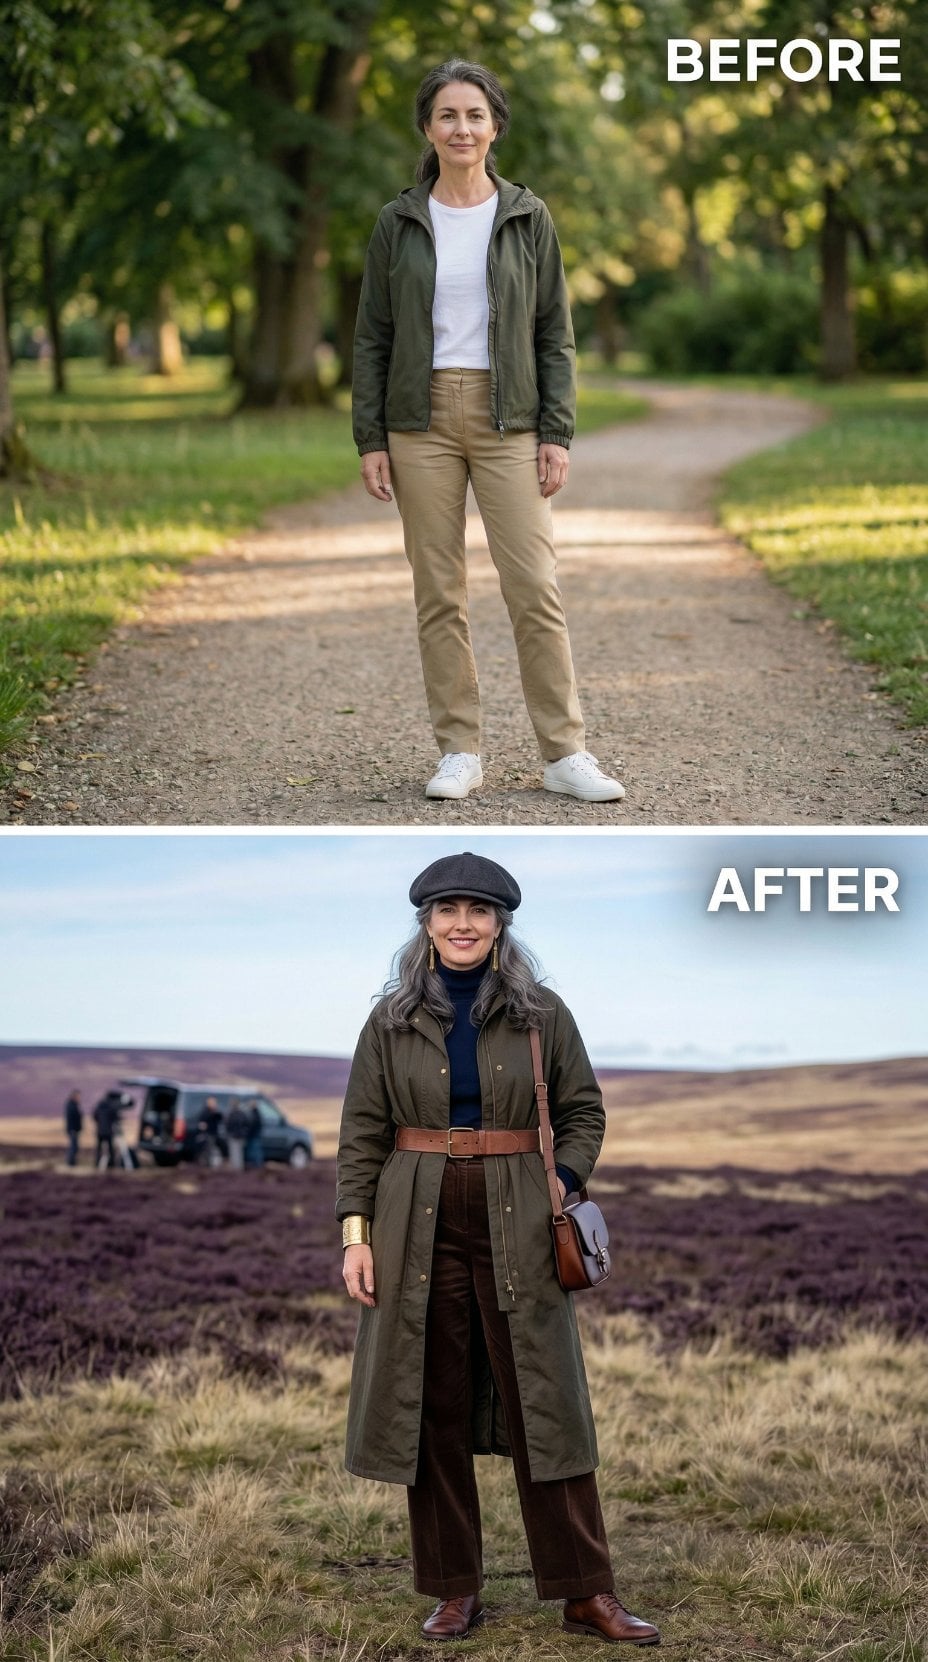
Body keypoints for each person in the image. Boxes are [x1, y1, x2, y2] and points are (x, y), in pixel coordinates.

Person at [337, 852, 659, 1645]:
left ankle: (587, 1593)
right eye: (448, 910)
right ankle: (454, 1590)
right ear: (426, 922)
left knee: (547, 1409)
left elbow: (584, 1110)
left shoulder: (542, 1011)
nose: (463, 924)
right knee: (429, 1406)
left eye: (478, 911)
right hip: (414, 1223)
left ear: (500, 923)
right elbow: (361, 1137)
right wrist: (356, 1235)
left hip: (520, 1219)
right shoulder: (388, 1019)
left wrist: (566, 1181)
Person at [352, 60, 625, 806]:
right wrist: (371, 436)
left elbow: (554, 333)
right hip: (420, 419)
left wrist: (557, 430)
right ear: (428, 128)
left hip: (512, 418)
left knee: (534, 585)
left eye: (475, 115)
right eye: (447, 115)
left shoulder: (528, 216)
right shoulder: (398, 220)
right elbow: (373, 335)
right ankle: (459, 750)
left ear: (494, 126)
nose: (461, 128)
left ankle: (564, 753)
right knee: (438, 591)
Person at [93, 1088, 121, 1169]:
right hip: (108, 1131)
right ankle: (111, 1164)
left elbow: (95, 1116)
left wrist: (100, 1123)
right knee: (111, 1148)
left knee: (99, 1148)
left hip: (100, 1131)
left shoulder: (99, 1106)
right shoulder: (111, 1107)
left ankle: (97, 1163)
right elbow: (115, 1117)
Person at [196, 1097, 224, 1168]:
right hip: (208, 1134)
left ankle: (208, 1164)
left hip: (213, 1133)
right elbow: (202, 1124)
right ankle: (207, 1164)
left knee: (211, 1149)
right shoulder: (205, 1112)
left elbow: (220, 1117)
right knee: (208, 1149)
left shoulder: (215, 1112)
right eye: (213, 1103)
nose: (215, 1104)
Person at [226, 1097, 249, 1169]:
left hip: (233, 1136)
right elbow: (247, 1124)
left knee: (234, 1152)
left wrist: (230, 1133)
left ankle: (235, 1167)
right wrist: (244, 1132)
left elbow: (227, 1125)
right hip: (241, 1136)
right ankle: (239, 1167)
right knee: (240, 1153)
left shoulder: (231, 1114)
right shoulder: (242, 1113)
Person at [63, 1088, 82, 1167]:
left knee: (74, 1146)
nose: (79, 1098)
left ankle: (72, 1162)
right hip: (73, 1129)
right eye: (78, 1096)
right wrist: (73, 1129)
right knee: (73, 1146)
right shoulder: (71, 1105)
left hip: (74, 1129)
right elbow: (72, 1118)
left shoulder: (73, 1105)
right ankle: (71, 1163)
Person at [244, 1100, 264, 1168]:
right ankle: (255, 1164)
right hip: (255, 1135)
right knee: (254, 1150)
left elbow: (252, 1125)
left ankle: (257, 1165)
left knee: (255, 1151)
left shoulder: (254, 1114)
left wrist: (247, 1132)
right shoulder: (256, 1113)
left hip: (254, 1135)